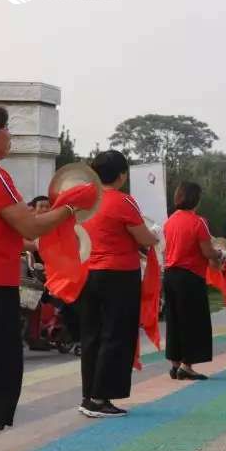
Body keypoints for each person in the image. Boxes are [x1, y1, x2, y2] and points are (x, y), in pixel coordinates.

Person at [0, 106, 85, 451]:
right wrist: (70, 209)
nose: (9, 136)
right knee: (0, 369)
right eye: (5, 129)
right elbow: (30, 224)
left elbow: (8, 232)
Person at [78, 150, 159, 418]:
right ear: (122, 175)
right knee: (116, 335)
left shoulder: (86, 200)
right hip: (118, 275)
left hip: (88, 272)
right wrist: (155, 237)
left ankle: (88, 395)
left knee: (92, 335)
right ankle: (101, 398)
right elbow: (143, 238)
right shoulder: (123, 201)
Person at [163, 182, 222, 381]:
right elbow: (207, 251)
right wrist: (219, 253)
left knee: (174, 320)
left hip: (170, 274)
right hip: (190, 276)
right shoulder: (198, 222)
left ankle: (175, 363)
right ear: (196, 199)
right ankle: (187, 365)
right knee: (193, 321)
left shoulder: (170, 221)